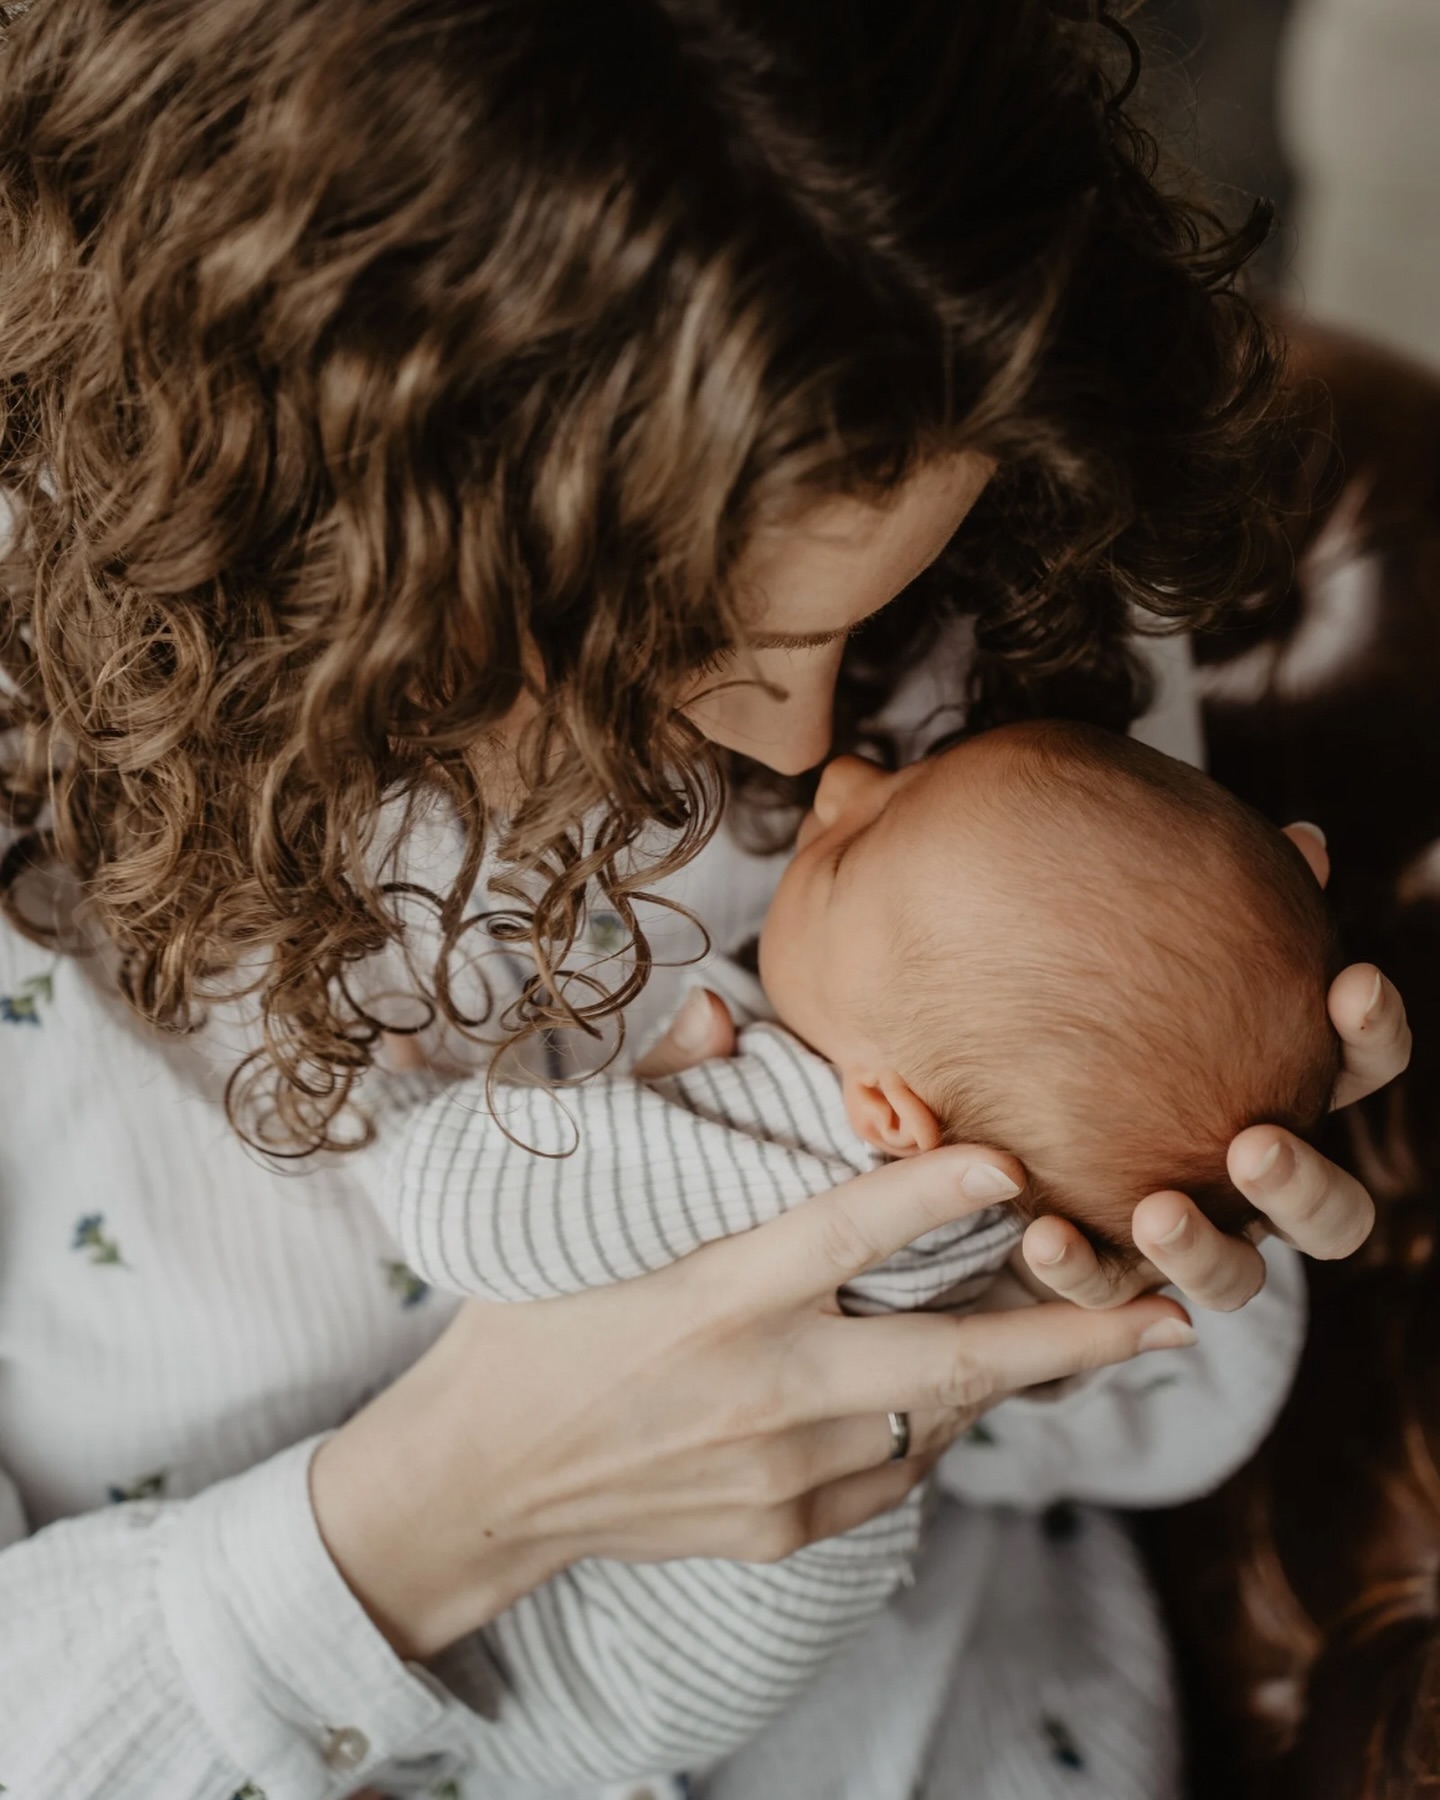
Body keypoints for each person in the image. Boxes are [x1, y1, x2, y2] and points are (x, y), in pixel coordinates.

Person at [0, 4, 1410, 1798]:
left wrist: (1104, 1253)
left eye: (852, 622)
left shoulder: (980, 542)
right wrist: (434, 1510)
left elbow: (1146, 1443)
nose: (812, 744)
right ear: (337, 497)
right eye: (674, 636)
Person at [365, 719, 1340, 1785]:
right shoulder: (1002, 1174)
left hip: (628, 1656)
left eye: (845, 857)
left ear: (886, 1111)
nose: (842, 782)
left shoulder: (787, 1127)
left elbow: (462, 1214)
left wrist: (397, 1109)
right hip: (740, 1631)